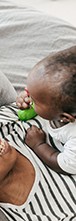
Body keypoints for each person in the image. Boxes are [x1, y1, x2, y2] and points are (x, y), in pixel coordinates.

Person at [16, 45, 76, 175]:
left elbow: (65, 164)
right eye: (28, 92)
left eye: (35, 100)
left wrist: (38, 145)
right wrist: (27, 96)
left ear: (65, 118)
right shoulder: (59, 100)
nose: (29, 98)